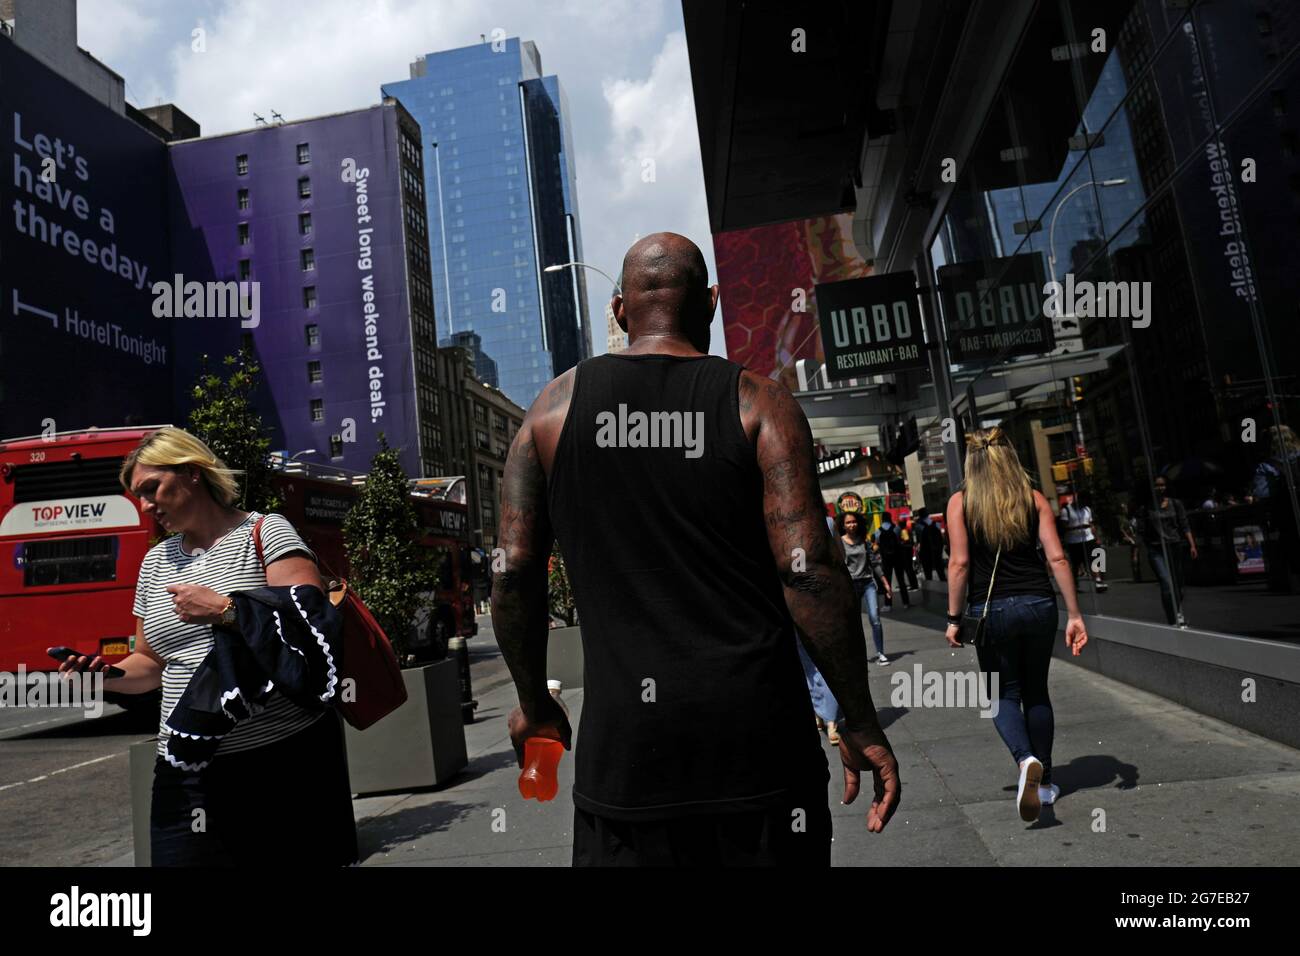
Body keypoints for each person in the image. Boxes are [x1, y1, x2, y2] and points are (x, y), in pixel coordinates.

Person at [491, 232, 900, 867]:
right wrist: (859, 717)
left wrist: (534, 703)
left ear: (622, 312)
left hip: (626, 767)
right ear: (710, 303)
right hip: (760, 758)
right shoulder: (761, 404)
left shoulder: (549, 414)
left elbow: (514, 570)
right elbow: (811, 573)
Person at [59, 426, 357, 866]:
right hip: (187, 767)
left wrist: (227, 610)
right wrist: (104, 678)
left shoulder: (265, 532)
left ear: (193, 473)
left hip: (285, 760)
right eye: (138, 496)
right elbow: (151, 663)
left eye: (151, 488)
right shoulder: (155, 562)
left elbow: (308, 627)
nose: (145, 505)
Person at [944, 427, 1088, 824]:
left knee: (1001, 695)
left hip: (992, 612)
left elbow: (958, 565)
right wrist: (1074, 615)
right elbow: (1057, 559)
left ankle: (1026, 760)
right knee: (1036, 690)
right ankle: (1044, 784)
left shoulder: (961, 503)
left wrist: (954, 619)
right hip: (1039, 604)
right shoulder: (1033, 499)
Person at [1138, 474, 1197, 627]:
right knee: (1166, 582)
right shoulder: (1146, 508)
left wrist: (1192, 545)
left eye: (1162, 485)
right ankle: (1174, 617)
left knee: (1178, 585)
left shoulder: (1176, 504)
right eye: (1157, 485)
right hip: (1157, 549)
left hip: (1174, 546)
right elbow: (1142, 530)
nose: (1160, 488)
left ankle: (1177, 611)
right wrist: (1148, 547)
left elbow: (1184, 525)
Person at [840, 510, 891, 666]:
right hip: (851, 585)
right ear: (843, 525)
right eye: (848, 522)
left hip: (868, 583)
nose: (851, 525)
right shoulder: (839, 543)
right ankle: (857, 655)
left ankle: (881, 653)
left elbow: (874, 562)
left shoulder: (864, 540)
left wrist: (885, 582)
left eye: (854, 522)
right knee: (853, 623)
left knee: (875, 618)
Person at [1059, 492, 1107, 592]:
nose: (1084, 504)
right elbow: (1063, 528)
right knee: (1076, 564)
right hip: (1074, 541)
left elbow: (1091, 525)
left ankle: (1098, 582)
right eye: (1082, 501)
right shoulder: (1066, 510)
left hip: (1088, 538)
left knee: (1093, 560)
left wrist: (1097, 538)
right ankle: (1074, 584)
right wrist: (1078, 527)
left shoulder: (1087, 510)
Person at [874, 511, 911, 609]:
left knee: (887, 581)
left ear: (882, 519)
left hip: (885, 559)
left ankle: (888, 604)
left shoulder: (878, 531)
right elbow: (899, 540)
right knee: (901, 580)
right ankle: (906, 603)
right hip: (897, 557)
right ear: (890, 517)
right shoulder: (896, 528)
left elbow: (877, 543)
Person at [917, 509, 947, 581]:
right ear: (928, 514)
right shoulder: (936, 524)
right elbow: (941, 537)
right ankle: (945, 586)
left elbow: (919, 540)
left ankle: (930, 589)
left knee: (928, 574)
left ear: (920, 516)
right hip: (936, 550)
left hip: (926, 552)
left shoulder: (919, 526)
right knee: (940, 571)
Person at [1118, 501, 1142, 583]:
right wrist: (1129, 537)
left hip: (1136, 537)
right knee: (1135, 555)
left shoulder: (1133, 518)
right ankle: (1136, 575)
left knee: (1136, 555)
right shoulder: (1125, 519)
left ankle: (1137, 574)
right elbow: (1122, 529)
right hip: (1134, 538)